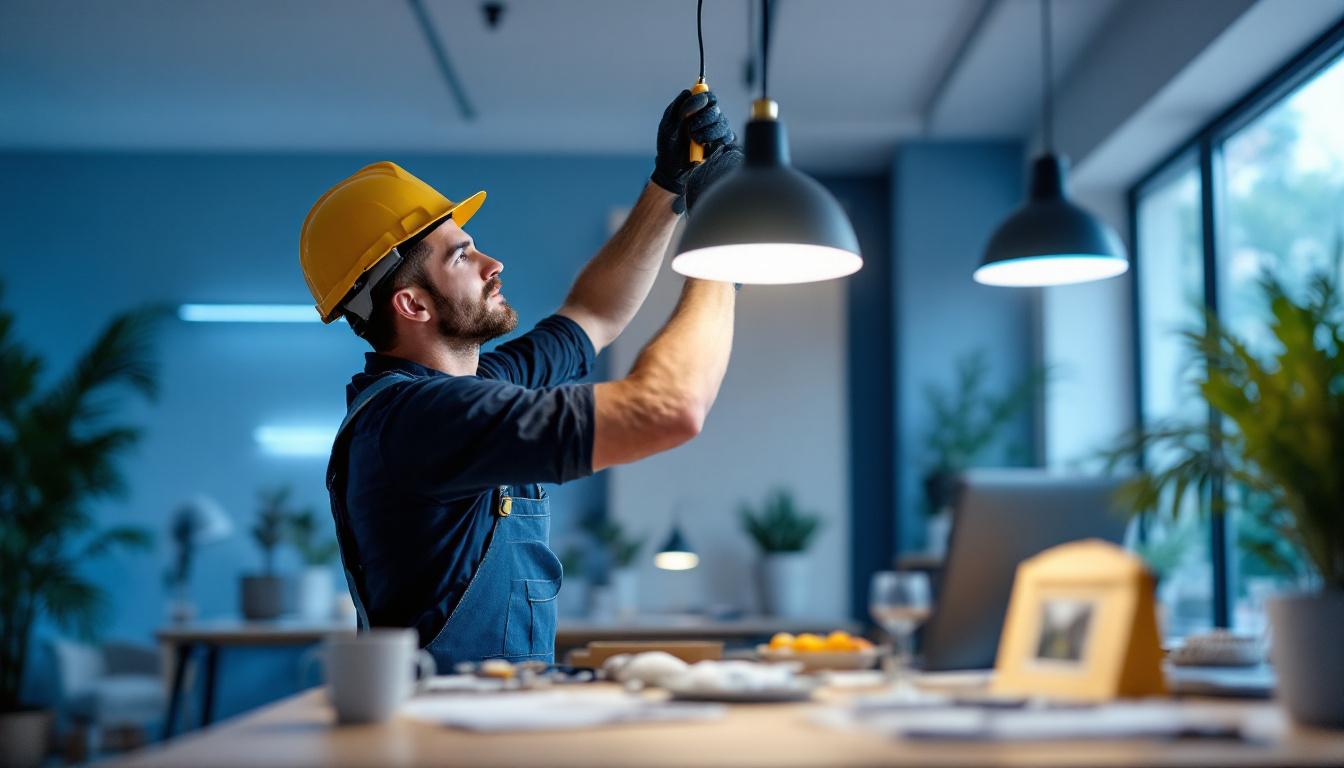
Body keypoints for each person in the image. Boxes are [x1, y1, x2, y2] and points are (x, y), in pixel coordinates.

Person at [297, 89, 743, 669]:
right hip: (453, 721)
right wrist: (723, 251)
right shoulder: (426, 422)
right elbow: (669, 408)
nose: (493, 264)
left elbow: (592, 315)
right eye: (461, 257)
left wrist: (668, 186)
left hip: (497, 706)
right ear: (412, 304)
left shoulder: (466, 389)